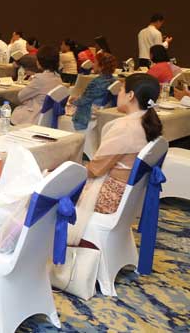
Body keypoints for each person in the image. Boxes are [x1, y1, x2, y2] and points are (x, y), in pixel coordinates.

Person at [68, 74, 163, 245]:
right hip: (130, 196)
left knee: (49, 185)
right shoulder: (148, 122)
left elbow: (96, 169)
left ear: (131, 95)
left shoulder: (125, 127)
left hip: (111, 196)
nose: (117, 93)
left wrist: (65, 173)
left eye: (121, 89)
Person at [11, 46, 63, 125]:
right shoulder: (58, 78)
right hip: (48, 118)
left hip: (34, 117)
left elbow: (20, 97)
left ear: (39, 62)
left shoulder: (40, 79)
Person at [70, 52, 118, 131]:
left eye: (95, 62)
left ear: (101, 66)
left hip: (88, 116)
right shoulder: (114, 81)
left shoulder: (96, 82)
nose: (93, 64)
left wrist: (73, 101)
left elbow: (83, 101)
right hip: (102, 114)